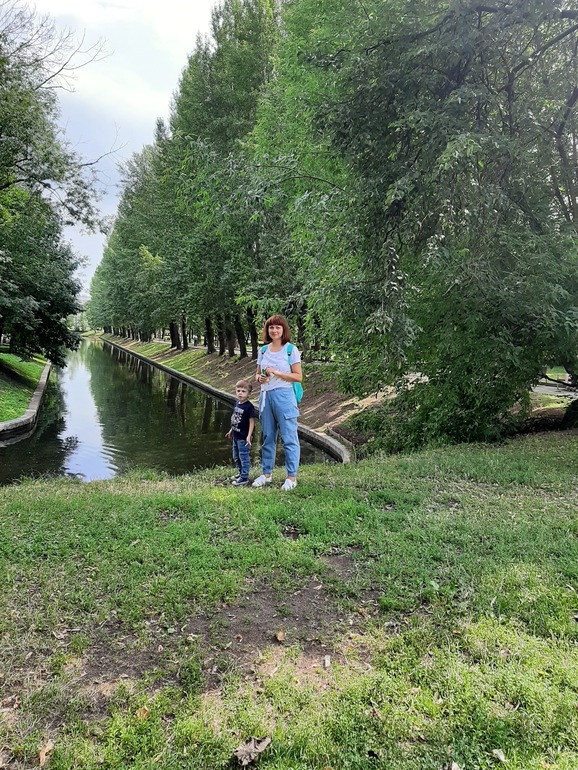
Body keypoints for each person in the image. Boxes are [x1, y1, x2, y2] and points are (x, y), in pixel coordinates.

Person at [252, 315, 302, 491]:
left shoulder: (290, 350)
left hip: (284, 396)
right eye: (271, 327)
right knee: (267, 436)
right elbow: (257, 374)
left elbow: (298, 376)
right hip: (266, 396)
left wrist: (277, 373)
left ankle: (291, 477)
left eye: (278, 327)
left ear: (283, 330)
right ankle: (266, 474)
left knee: (289, 437)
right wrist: (260, 378)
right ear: (267, 330)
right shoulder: (263, 350)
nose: (274, 330)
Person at [225, 379, 255, 487]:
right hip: (236, 436)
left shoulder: (249, 407)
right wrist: (231, 430)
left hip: (243, 438)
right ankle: (240, 473)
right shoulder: (237, 403)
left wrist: (249, 436)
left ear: (248, 393)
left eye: (243, 391)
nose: (240, 393)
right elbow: (235, 419)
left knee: (244, 457)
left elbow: (251, 422)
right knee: (236, 457)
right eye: (238, 391)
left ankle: (244, 477)